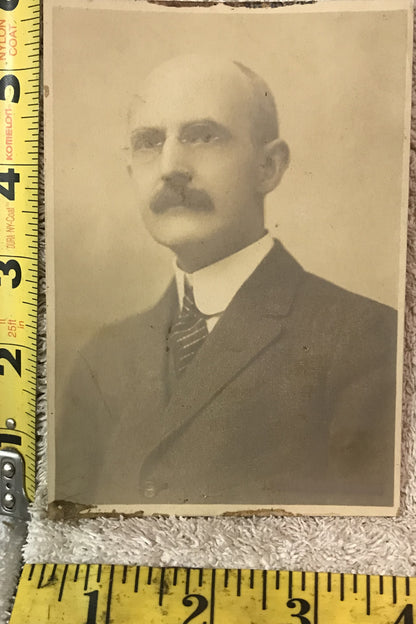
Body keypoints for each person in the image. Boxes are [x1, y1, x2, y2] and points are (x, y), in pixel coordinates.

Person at [55, 55, 397, 509]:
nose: (171, 165)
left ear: (268, 167)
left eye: (202, 136)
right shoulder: (101, 358)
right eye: (148, 142)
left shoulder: (369, 342)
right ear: (131, 172)